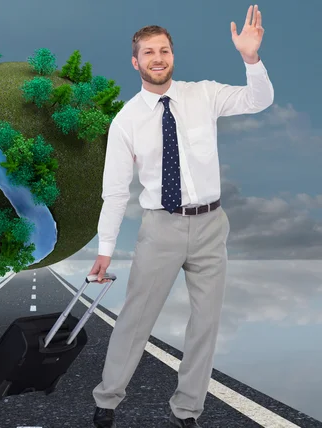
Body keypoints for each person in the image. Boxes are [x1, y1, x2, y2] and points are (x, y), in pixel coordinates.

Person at [88, 5, 274, 428]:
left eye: (165, 50)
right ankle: (108, 400)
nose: (158, 58)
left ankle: (187, 410)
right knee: (136, 319)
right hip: (161, 227)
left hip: (212, 225)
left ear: (173, 56)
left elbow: (258, 100)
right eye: (149, 52)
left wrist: (250, 58)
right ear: (135, 61)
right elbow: (116, 192)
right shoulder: (126, 122)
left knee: (205, 324)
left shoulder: (203, 94)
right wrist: (104, 249)